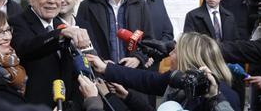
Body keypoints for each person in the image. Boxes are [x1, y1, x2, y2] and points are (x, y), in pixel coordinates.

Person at [86, 32, 241, 111]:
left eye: (174, 52)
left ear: (188, 58)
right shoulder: (181, 80)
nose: (170, 55)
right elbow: (146, 80)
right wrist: (106, 68)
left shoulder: (224, 97)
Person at [8, 0, 91, 110]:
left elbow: (72, 71)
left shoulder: (61, 24)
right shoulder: (17, 22)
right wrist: (59, 34)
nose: (52, 0)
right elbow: (26, 49)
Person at [76, 0, 154, 68]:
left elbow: (149, 40)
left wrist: (138, 58)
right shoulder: (87, 6)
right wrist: (100, 61)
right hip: (100, 72)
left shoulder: (140, 5)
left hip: (132, 74)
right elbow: (82, 43)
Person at [126, 0, 174, 107]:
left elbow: (168, 33)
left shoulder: (157, 0)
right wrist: (142, 56)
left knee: (149, 105)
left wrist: (153, 54)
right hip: (130, 66)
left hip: (153, 66)